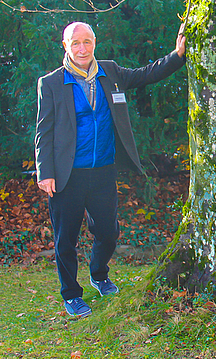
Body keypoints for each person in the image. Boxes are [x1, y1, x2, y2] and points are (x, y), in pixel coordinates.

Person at [35, 21, 186, 317]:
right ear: (65, 46)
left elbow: (146, 74)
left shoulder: (110, 72)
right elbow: (44, 131)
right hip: (67, 176)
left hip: (103, 171)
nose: (82, 48)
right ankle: (71, 295)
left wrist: (177, 55)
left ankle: (99, 274)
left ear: (95, 43)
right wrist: (45, 171)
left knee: (108, 232)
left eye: (87, 42)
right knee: (65, 239)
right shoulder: (51, 83)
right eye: (75, 43)